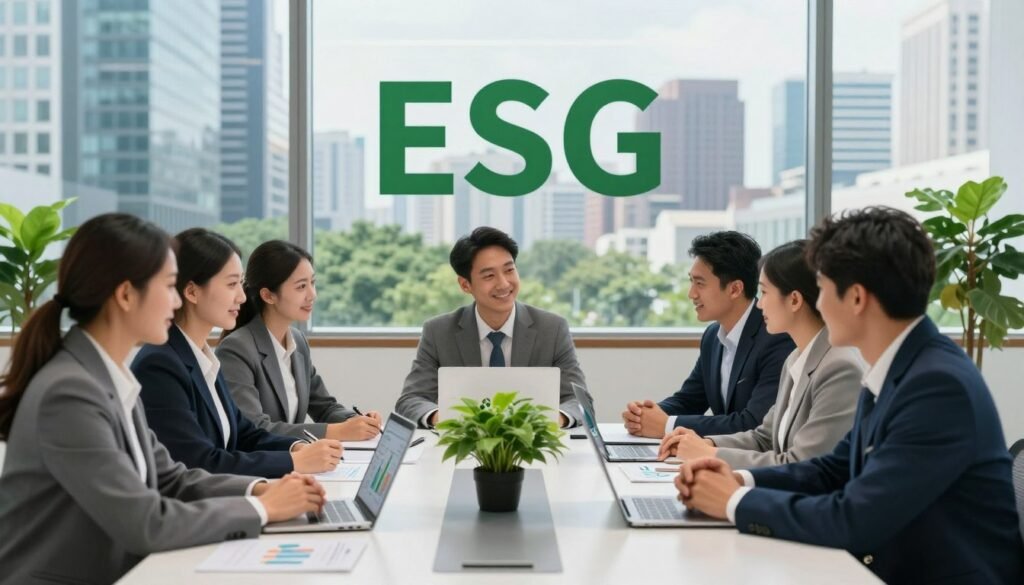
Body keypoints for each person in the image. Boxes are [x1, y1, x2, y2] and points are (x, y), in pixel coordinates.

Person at [675, 207, 1024, 584]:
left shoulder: (937, 386)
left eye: (822, 289)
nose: (818, 304)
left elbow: (856, 519)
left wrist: (732, 501)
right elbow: (831, 469)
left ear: (856, 298)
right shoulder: (901, 367)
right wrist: (738, 479)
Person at [0, 214, 325, 584]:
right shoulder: (69, 393)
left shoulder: (109, 376)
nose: (176, 302)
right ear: (125, 295)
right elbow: (146, 523)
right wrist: (261, 508)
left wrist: (261, 488)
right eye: (169, 287)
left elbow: (171, 479)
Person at [132, 229, 342, 478]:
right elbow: (199, 462)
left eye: (241, 284)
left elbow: (243, 433)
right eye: (232, 284)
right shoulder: (160, 364)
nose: (242, 297)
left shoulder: (202, 358)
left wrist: (296, 447)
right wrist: (293, 462)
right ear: (192, 292)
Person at [658, 240, 862, 468]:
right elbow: (764, 437)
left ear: (794, 300)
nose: (759, 304)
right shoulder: (796, 359)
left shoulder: (840, 366)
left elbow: (803, 464)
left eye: (764, 292)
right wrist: (706, 444)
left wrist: (711, 456)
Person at [395, 226, 585, 428]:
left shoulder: (552, 329)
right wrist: (444, 418)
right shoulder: (439, 332)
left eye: (509, 270)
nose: (504, 284)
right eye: (489, 276)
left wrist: (554, 419)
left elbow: (579, 401)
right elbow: (410, 400)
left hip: (533, 446)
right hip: (463, 447)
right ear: (465, 285)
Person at [622, 231, 794, 438]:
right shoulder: (713, 336)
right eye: (691, 282)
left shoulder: (776, 337)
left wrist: (667, 425)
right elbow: (690, 400)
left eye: (700, 283)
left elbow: (753, 422)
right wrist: (645, 414)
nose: (691, 294)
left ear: (735, 289)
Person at [217, 239, 382, 440]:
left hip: (297, 463)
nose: (312, 295)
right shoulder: (236, 349)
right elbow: (254, 428)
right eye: (301, 287)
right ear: (268, 295)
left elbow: (325, 407)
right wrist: (335, 432)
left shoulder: (297, 341)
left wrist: (356, 421)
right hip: (263, 467)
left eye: (312, 283)